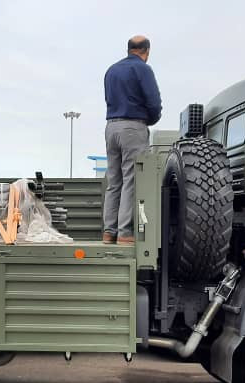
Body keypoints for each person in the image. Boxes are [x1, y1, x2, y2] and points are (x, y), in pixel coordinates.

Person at [102, 35, 162, 244]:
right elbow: (154, 102)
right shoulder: (143, 69)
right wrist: (151, 120)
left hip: (111, 127)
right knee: (131, 180)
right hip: (132, 128)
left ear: (129, 50)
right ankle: (125, 233)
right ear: (146, 51)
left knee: (114, 182)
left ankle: (109, 232)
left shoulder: (111, 71)